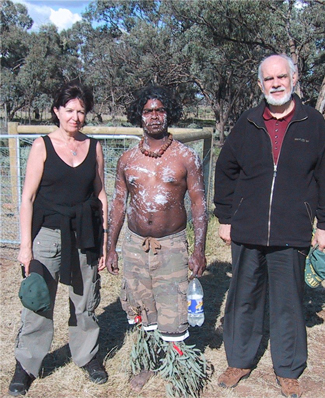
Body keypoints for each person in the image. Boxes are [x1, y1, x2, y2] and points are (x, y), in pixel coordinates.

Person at [214, 54, 325, 398]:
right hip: (247, 228)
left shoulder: (312, 123)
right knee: (243, 299)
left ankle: (288, 369)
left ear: (294, 79)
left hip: (292, 231)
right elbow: (225, 170)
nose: (275, 83)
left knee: (288, 302)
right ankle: (239, 360)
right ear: (260, 84)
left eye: (281, 77)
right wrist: (225, 217)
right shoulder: (248, 122)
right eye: (268, 79)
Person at [9, 80, 109, 396]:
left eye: (81, 111)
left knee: (85, 301)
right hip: (47, 236)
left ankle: (87, 356)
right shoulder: (42, 146)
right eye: (69, 110)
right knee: (38, 303)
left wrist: (105, 241)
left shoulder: (94, 147)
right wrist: (26, 247)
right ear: (57, 111)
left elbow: (101, 194)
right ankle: (26, 365)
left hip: (86, 234)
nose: (75, 117)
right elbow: (27, 198)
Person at [106, 85, 207, 390]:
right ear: (139, 115)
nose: (154, 116)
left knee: (173, 306)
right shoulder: (127, 159)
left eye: (160, 110)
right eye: (148, 110)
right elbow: (119, 203)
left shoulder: (185, 157)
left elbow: (199, 203)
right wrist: (110, 247)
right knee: (139, 304)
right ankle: (146, 362)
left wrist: (199, 248)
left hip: (172, 244)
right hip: (135, 245)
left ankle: (178, 368)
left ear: (169, 114)